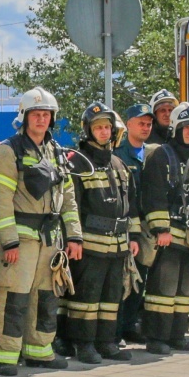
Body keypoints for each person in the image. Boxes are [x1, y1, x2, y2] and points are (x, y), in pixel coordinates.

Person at [0, 88, 81, 374]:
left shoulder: (57, 153)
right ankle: (5, 355)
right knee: (13, 296)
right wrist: (9, 242)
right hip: (21, 240)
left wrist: (74, 236)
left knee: (46, 297)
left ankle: (39, 350)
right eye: (36, 114)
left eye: (46, 114)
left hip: (50, 240)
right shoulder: (7, 151)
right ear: (24, 117)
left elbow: (69, 199)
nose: (41, 119)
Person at [65, 104, 137, 363]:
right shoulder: (77, 162)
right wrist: (74, 239)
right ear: (88, 130)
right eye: (98, 127)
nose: (104, 132)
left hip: (118, 245)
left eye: (107, 127)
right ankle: (84, 345)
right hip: (90, 245)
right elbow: (72, 204)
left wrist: (134, 238)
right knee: (87, 297)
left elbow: (131, 204)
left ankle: (107, 342)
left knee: (111, 297)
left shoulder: (118, 163)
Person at [139, 102, 189, 354]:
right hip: (168, 235)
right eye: (186, 128)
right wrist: (160, 229)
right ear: (176, 128)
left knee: (184, 290)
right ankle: (156, 338)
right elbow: (154, 195)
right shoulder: (161, 154)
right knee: (162, 290)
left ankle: (177, 335)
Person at [115, 103, 154, 344]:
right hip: (125, 225)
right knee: (122, 281)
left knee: (141, 278)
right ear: (128, 124)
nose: (146, 127)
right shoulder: (118, 153)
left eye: (149, 123)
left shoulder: (153, 153)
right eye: (141, 122)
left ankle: (130, 325)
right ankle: (117, 329)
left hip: (147, 228)